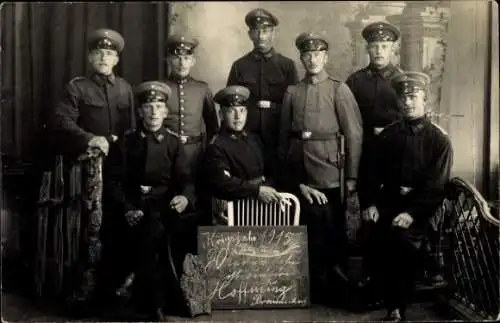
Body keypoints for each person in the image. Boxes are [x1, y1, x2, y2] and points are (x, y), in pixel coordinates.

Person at [357, 72, 453, 321]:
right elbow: (369, 172)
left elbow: (436, 186)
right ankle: (376, 292)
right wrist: (369, 204)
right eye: (404, 97)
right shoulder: (388, 136)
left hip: (421, 210)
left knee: (402, 241)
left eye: (413, 97)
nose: (408, 102)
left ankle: (396, 307)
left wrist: (412, 214)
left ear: (425, 101)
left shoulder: (439, 140)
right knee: (371, 232)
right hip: (388, 203)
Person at [49, 28, 135, 305]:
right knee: (91, 228)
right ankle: (86, 288)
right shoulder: (77, 87)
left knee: (120, 223)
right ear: (89, 56)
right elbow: (62, 120)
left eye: (109, 53)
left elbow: (132, 127)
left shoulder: (125, 88)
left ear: (116, 59)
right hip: (89, 170)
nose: (103, 57)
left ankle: (118, 286)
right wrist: (90, 138)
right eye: (98, 52)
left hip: (119, 169)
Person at [278, 32, 363, 306]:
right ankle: (308, 287)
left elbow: (354, 135)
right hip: (300, 169)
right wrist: (289, 176)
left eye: (317, 54)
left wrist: (351, 176)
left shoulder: (339, 89)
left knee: (332, 231)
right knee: (304, 229)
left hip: (329, 170)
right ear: (301, 58)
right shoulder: (293, 91)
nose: (312, 59)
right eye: (307, 54)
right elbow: (284, 138)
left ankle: (334, 288)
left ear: (325, 57)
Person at [105, 81, 196, 321]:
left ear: (166, 112)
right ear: (140, 112)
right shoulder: (126, 142)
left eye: (159, 107)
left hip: (163, 205)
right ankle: (150, 302)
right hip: (132, 205)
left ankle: (147, 297)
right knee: (144, 233)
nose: (154, 112)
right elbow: (113, 182)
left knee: (155, 230)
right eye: (149, 107)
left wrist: (184, 197)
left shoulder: (173, 142)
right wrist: (127, 208)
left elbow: (185, 179)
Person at [345, 21, 405, 306]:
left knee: (392, 221)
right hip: (365, 157)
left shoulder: (402, 82)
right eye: (374, 46)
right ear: (367, 48)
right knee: (368, 223)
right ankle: (368, 287)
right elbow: (347, 122)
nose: (379, 51)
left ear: (393, 48)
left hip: (395, 161)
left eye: (384, 46)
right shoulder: (355, 82)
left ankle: (391, 290)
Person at [227, 8, 299, 184]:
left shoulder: (287, 66)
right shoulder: (239, 66)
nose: (261, 36)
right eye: (256, 31)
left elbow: (296, 106)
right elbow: (229, 105)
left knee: (280, 186)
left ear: (273, 33)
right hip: (247, 138)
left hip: (278, 137)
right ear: (250, 34)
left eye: (266, 31)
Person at [202, 85, 283, 215]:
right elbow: (223, 182)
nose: (237, 117)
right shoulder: (216, 145)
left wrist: (267, 186)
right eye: (231, 111)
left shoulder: (254, 138)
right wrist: (256, 190)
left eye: (241, 110)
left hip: (265, 206)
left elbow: (272, 169)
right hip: (238, 211)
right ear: (221, 115)